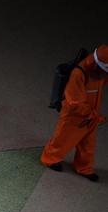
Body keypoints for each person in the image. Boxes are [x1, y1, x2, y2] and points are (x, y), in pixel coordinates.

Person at [41, 45, 107, 181]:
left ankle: (84, 167)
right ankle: (49, 158)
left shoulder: (99, 72)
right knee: (62, 140)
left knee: (88, 145)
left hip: (91, 116)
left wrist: (93, 115)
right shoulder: (79, 73)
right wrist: (94, 115)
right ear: (96, 65)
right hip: (74, 117)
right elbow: (74, 103)